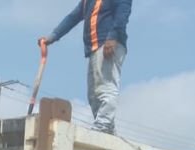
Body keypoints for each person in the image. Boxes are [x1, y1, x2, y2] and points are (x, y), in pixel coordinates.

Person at [40, 0, 132, 135]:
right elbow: (73, 17)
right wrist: (52, 37)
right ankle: (107, 128)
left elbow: (122, 12)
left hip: (108, 44)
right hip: (95, 48)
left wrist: (112, 37)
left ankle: (104, 125)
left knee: (105, 88)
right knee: (93, 95)